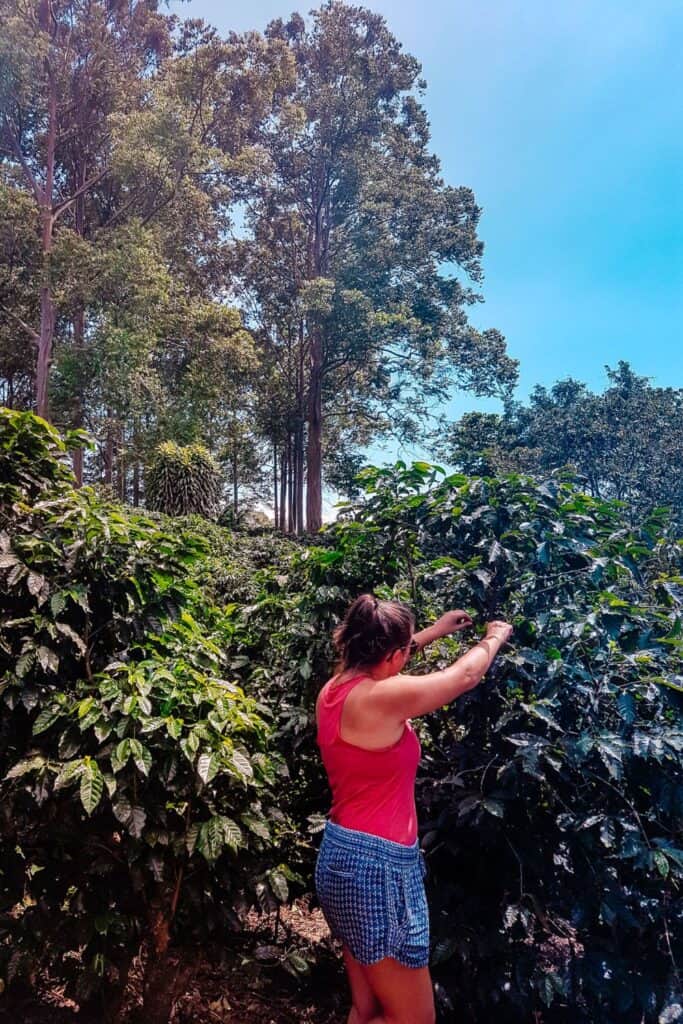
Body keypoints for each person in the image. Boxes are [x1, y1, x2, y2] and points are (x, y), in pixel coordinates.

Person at [314, 593, 513, 1024]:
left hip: (340, 858)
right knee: (416, 1019)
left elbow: (384, 661)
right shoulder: (381, 698)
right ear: (392, 654)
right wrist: (494, 637)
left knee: (366, 1007)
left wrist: (437, 631)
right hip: (376, 870)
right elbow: (464, 676)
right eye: (403, 650)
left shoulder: (335, 689)